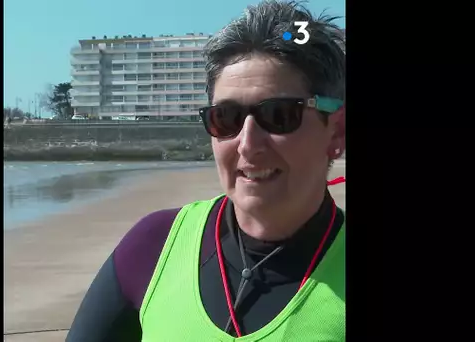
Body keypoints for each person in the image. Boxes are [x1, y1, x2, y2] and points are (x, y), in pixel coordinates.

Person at [65, 0, 346, 340]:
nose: (247, 143)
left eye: (279, 115)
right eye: (225, 118)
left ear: (337, 131)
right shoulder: (153, 246)